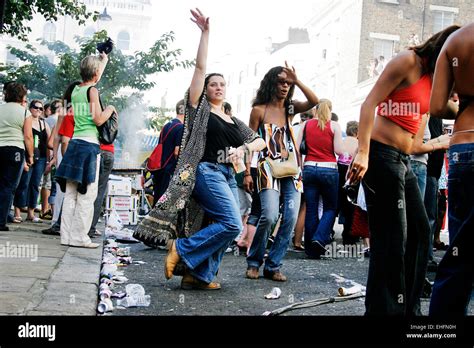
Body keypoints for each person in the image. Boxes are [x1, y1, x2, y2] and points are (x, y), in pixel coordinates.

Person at [134, 8, 265, 290]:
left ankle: (199, 275)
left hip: (228, 175)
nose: (218, 87)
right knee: (232, 224)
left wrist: (244, 147)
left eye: (222, 84)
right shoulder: (200, 110)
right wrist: (205, 34)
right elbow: (199, 69)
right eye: (213, 84)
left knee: (222, 226)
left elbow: (260, 140)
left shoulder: (233, 119)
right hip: (206, 171)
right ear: (205, 90)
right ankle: (181, 249)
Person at [348, 25, 460, 316]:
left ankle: (407, 309)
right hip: (380, 156)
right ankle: (382, 312)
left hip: (401, 160)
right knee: (391, 240)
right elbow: (369, 102)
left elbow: (446, 111)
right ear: (443, 48)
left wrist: (438, 141)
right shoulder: (408, 62)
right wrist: (362, 151)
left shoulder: (434, 80)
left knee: (421, 233)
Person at [245, 63, 319, 281]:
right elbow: (250, 141)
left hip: (292, 168)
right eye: (281, 81)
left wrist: (298, 80)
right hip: (266, 166)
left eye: (288, 83)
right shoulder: (259, 110)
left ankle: (273, 265)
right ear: (271, 83)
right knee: (268, 215)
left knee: (291, 217)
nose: (285, 86)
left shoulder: (290, 107)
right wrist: (248, 173)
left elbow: (314, 102)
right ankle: (254, 261)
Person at [429, 22, 474, 316]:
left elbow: (435, 106)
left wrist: (464, 109)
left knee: (460, 252)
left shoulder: (455, 41)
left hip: (463, 148)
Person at [55, 53, 115, 248]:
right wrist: (111, 109)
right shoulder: (92, 91)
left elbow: (92, 82)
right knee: (88, 195)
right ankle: (80, 237)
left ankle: (66, 236)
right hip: (89, 145)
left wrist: (103, 61)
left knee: (71, 193)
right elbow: (98, 119)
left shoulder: (75, 91)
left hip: (75, 144)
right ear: (96, 73)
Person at [298, 99, 345, 258]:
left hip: (309, 168)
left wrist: (300, 166)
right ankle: (319, 238)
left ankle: (311, 249)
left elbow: (298, 148)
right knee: (330, 208)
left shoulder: (306, 125)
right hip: (329, 170)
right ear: (330, 109)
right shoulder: (334, 126)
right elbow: (339, 151)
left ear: (315, 109)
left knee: (311, 208)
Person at [42, 82, 81, 236]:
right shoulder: (66, 111)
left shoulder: (79, 110)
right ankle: (57, 220)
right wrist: (56, 156)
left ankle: (63, 222)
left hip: (72, 149)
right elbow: (57, 135)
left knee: (68, 189)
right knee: (62, 190)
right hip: (65, 150)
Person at [0, 83, 32, 231]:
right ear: (22, 96)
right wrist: (30, 155)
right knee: (8, 187)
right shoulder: (25, 112)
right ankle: (1, 221)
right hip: (15, 151)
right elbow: (28, 136)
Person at [13, 100, 51, 223]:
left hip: (41, 158)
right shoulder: (26, 121)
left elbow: (49, 143)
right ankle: (17, 212)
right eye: (36, 107)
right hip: (27, 155)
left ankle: (31, 212)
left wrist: (49, 161)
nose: (39, 110)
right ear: (30, 108)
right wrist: (24, 160)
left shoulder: (44, 123)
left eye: (41, 109)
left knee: (35, 185)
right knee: (23, 183)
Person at [151, 99, 185, 205]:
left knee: (158, 196)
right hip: (169, 169)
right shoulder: (180, 127)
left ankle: (154, 220)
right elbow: (177, 152)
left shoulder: (167, 125)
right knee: (165, 201)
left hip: (159, 168)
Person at [337, 120, 359, 245]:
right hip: (352, 172)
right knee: (351, 205)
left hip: (339, 171)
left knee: (339, 204)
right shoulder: (358, 143)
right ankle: (349, 235)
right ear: (357, 131)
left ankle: (328, 232)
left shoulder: (342, 142)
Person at [40, 99, 62, 220]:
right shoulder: (58, 120)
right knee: (53, 186)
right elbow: (51, 142)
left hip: (45, 155)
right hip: (55, 156)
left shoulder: (44, 120)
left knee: (46, 184)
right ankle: (54, 214)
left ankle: (46, 209)